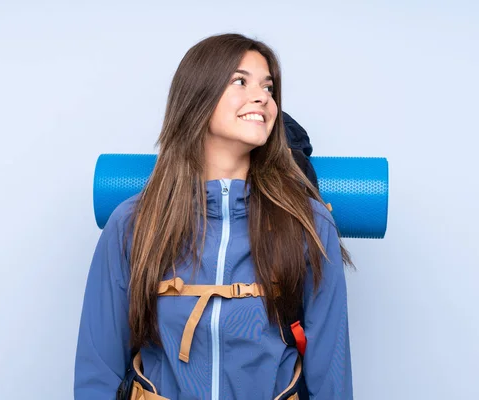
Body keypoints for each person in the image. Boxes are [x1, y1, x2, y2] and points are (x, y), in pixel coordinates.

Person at [74, 33, 354, 400]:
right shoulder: (132, 224)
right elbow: (98, 373)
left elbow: (331, 376)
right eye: (241, 81)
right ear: (197, 98)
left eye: (268, 87)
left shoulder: (308, 224)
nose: (263, 97)